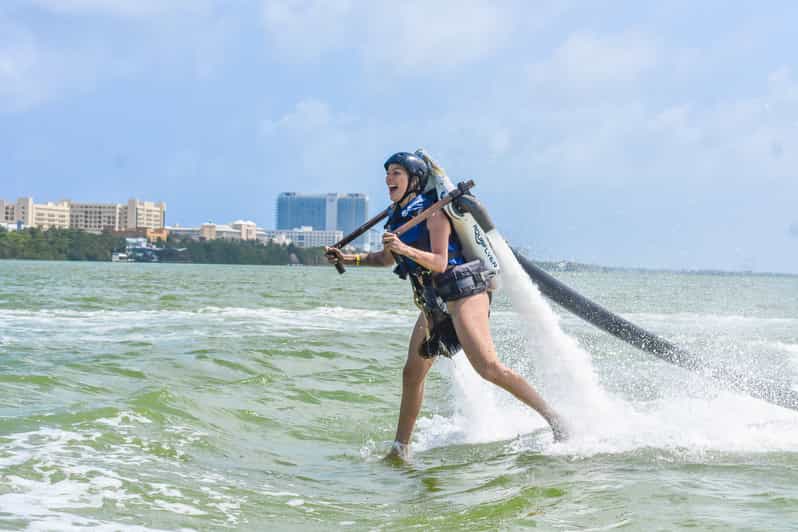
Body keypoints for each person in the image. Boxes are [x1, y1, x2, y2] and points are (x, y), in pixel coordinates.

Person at [325, 152, 567, 458]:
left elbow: (439, 262)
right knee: (412, 373)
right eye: (387, 173)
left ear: (414, 179)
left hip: (464, 291)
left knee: (488, 368)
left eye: (397, 173)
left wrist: (404, 248)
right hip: (433, 301)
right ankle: (400, 450)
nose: (389, 179)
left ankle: (557, 421)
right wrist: (348, 258)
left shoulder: (433, 213)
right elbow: (386, 259)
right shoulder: (397, 216)